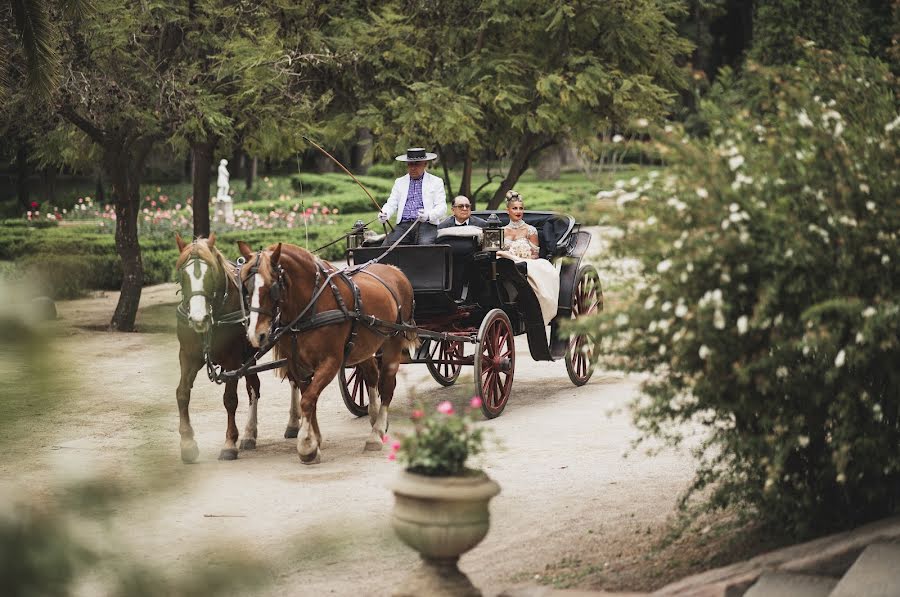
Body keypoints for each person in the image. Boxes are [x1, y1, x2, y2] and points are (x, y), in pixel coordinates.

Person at [499, 189, 560, 325]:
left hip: (526, 261)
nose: (518, 211)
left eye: (521, 208)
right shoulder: (502, 231)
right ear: (507, 210)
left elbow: (535, 254)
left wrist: (520, 253)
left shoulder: (530, 230)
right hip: (505, 262)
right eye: (514, 208)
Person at [379, 148, 447, 245]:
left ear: (425, 164)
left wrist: (428, 216)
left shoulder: (436, 182)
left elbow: (442, 207)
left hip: (426, 225)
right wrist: (385, 213)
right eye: (410, 164)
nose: (413, 168)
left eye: (417, 164)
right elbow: (391, 203)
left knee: (425, 246)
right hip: (403, 225)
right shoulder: (399, 182)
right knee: (386, 247)